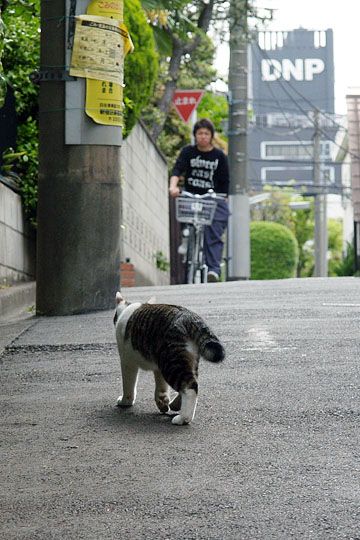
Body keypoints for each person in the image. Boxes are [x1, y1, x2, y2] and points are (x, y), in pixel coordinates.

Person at [169, 118, 230, 282]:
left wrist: (223, 197)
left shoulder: (219, 156)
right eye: (199, 133)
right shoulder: (188, 152)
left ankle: (213, 270)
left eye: (206, 133)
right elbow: (177, 170)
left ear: (211, 136)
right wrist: (173, 187)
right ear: (195, 135)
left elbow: (225, 183)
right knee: (183, 209)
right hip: (191, 196)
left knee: (213, 233)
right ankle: (186, 237)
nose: (203, 136)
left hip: (212, 198)